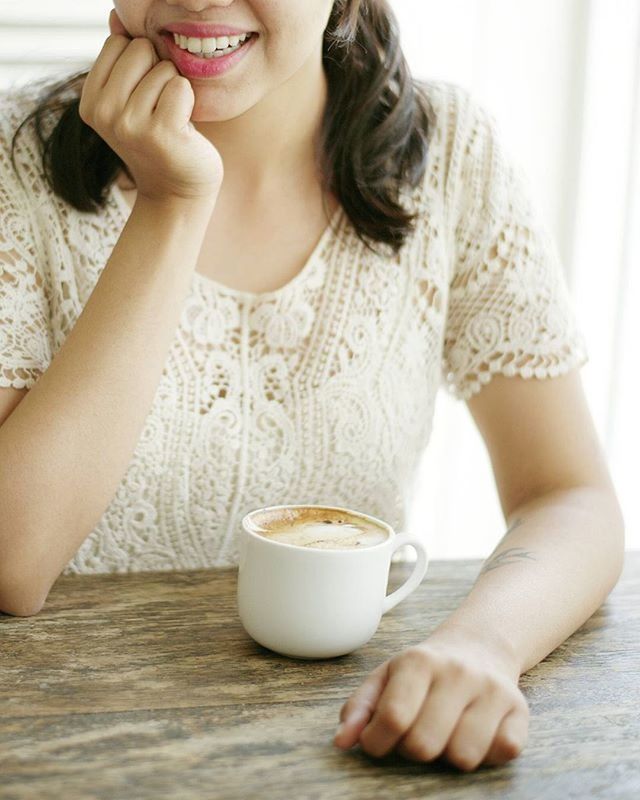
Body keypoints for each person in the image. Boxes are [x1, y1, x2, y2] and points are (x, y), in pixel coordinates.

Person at [0, 0, 624, 774]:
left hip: (346, 746)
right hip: (65, 749)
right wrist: (173, 203)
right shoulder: (15, 157)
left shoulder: (452, 152)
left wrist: (483, 644)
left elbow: (570, 495)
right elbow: (9, 559)